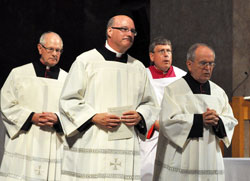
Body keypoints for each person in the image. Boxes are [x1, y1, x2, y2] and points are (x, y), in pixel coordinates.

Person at [59, 15, 159, 180]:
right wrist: (94, 117)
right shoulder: (86, 61)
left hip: (126, 143)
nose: (130, 34)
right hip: (94, 139)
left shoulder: (138, 67)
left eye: (133, 31)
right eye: (124, 29)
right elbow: (68, 100)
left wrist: (140, 115)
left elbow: (150, 103)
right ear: (110, 31)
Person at [153, 43, 238, 181]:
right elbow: (167, 122)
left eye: (211, 64)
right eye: (203, 63)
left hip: (210, 157)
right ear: (189, 64)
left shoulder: (218, 92)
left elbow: (231, 120)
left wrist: (218, 121)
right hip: (182, 158)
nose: (208, 68)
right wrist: (199, 120)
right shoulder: (174, 90)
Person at [0, 31, 67, 181]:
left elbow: (73, 111)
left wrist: (58, 118)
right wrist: (31, 117)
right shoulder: (19, 74)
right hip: (25, 139)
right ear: (40, 48)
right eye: (50, 49)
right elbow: (5, 103)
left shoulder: (67, 79)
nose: (55, 54)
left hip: (54, 142)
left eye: (58, 50)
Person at [139, 37, 186, 181]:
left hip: (177, 133)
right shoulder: (142, 76)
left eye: (169, 51)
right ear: (151, 56)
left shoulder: (182, 77)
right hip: (151, 132)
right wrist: (154, 123)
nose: (166, 55)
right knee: (147, 172)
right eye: (161, 51)